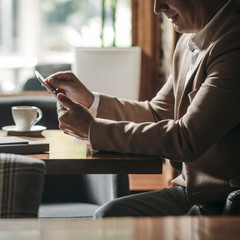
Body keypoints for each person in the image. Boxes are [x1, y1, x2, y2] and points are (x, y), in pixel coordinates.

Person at [45, 0, 240, 217]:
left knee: (112, 218)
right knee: (109, 216)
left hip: (226, 201)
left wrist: (93, 130)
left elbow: (187, 138)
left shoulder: (233, 42)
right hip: (192, 194)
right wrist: (91, 101)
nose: (158, 8)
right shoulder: (189, 41)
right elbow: (156, 114)